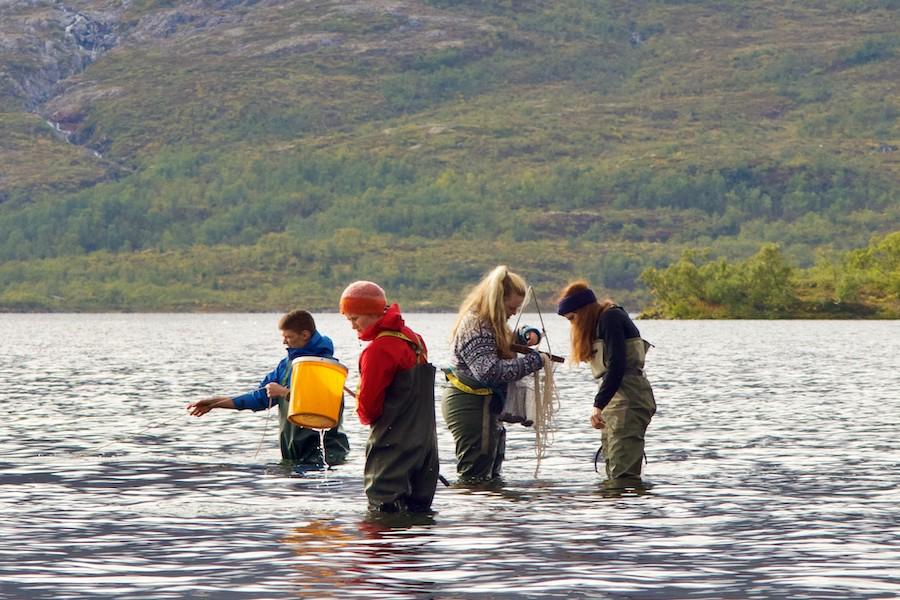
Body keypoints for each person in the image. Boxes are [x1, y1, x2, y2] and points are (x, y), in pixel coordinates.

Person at [186, 310, 350, 466]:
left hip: (327, 455)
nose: (284, 342)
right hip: (294, 454)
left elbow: (317, 403)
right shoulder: (285, 365)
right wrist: (214, 403)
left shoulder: (326, 366)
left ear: (305, 335)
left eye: (289, 337)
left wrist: (284, 393)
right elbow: (258, 398)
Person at [340, 281, 439, 512]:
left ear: (373, 313)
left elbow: (368, 412)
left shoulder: (377, 350)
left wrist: (360, 406)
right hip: (426, 449)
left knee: (382, 517)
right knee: (418, 522)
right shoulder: (415, 339)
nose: (353, 326)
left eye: (355, 319)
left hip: (392, 448)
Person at [442, 265, 544, 482]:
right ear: (498, 300)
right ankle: (478, 514)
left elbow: (498, 344)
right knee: (475, 476)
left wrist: (525, 334)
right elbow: (488, 372)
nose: (514, 312)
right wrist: (532, 362)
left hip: (486, 405)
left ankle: (492, 515)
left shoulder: (490, 324)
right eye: (512, 307)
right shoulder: (476, 326)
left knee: (491, 471)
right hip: (471, 403)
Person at [556, 281, 656, 487]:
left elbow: (617, 366)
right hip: (616, 401)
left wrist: (597, 405)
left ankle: (623, 509)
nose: (572, 325)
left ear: (583, 311)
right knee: (612, 463)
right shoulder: (603, 321)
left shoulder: (611, 318)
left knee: (622, 473)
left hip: (630, 399)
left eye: (573, 318)